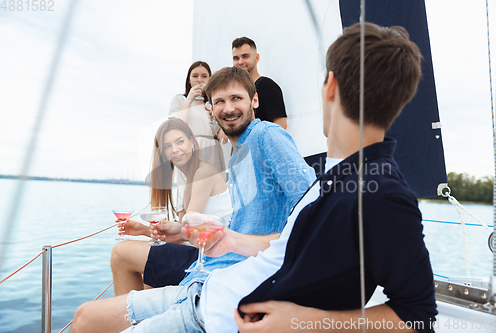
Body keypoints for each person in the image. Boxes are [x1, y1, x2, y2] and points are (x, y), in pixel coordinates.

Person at [70, 67, 316, 332]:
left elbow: (313, 212)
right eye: (220, 101)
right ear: (211, 110)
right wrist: (182, 232)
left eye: (236, 98)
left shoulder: (266, 135)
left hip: (226, 290)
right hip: (208, 279)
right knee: (85, 315)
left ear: (254, 101)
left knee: (92, 314)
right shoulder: (236, 158)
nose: (228, 108)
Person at [110, 118, 232, 295]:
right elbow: (183, 236)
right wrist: (144, 230)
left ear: (191, 141)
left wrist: (172, 228)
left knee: (120, 252)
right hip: (203, 252)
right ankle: (133, 321)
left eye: (180, 141)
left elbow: (189, 229)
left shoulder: (203, 172)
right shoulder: (185, 180)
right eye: (167, 146)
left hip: (215, 258)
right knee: (147, 285)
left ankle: (125, 319)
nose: (174, 150)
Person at [232, 37, 287, 129]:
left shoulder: (266, 86)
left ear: (256, 58)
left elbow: (280, 125)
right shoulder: (236, 91)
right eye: (236, 58)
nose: (240, 61)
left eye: (245, 56)